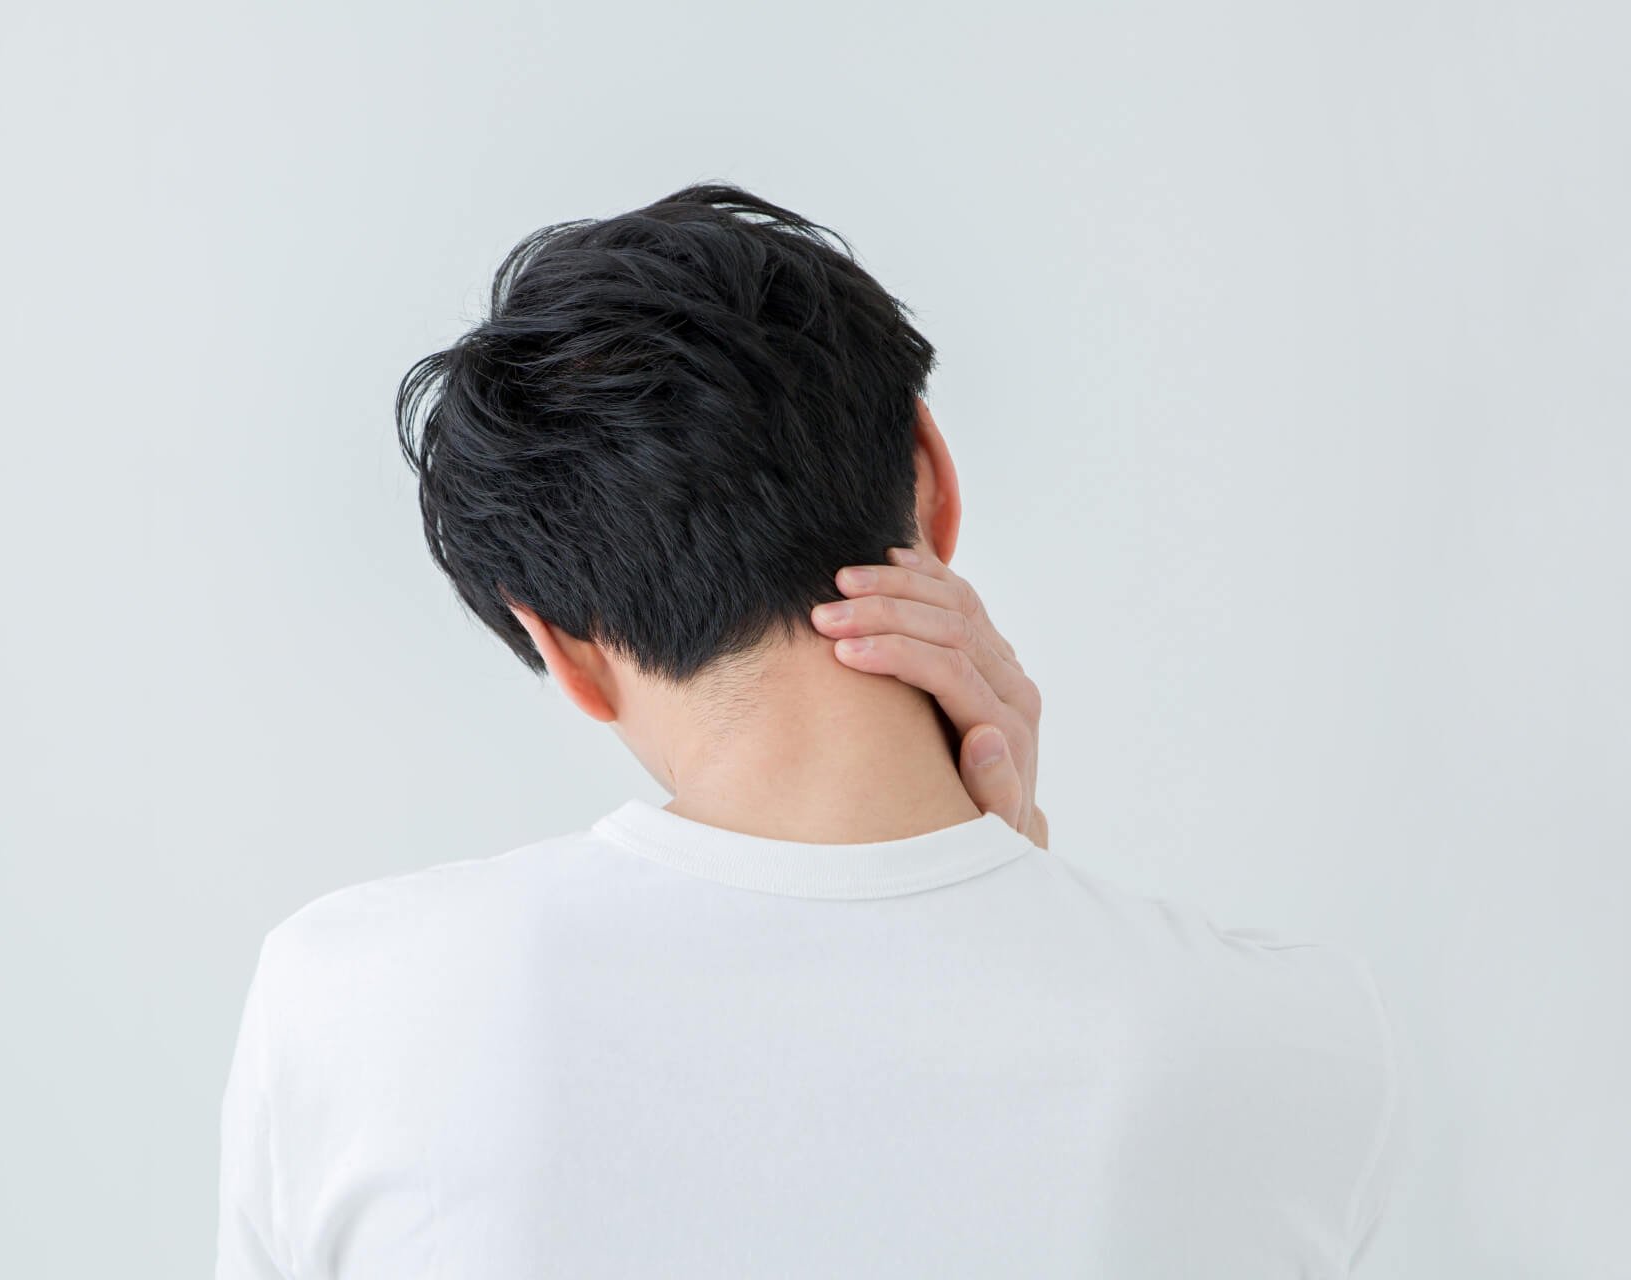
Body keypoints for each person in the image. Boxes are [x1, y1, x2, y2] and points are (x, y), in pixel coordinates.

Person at [216, 185, 1406, 1278]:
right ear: (931, 476)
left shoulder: (356, 999)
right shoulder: (1295, 1038)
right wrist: (1012, 885)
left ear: (562, 644)